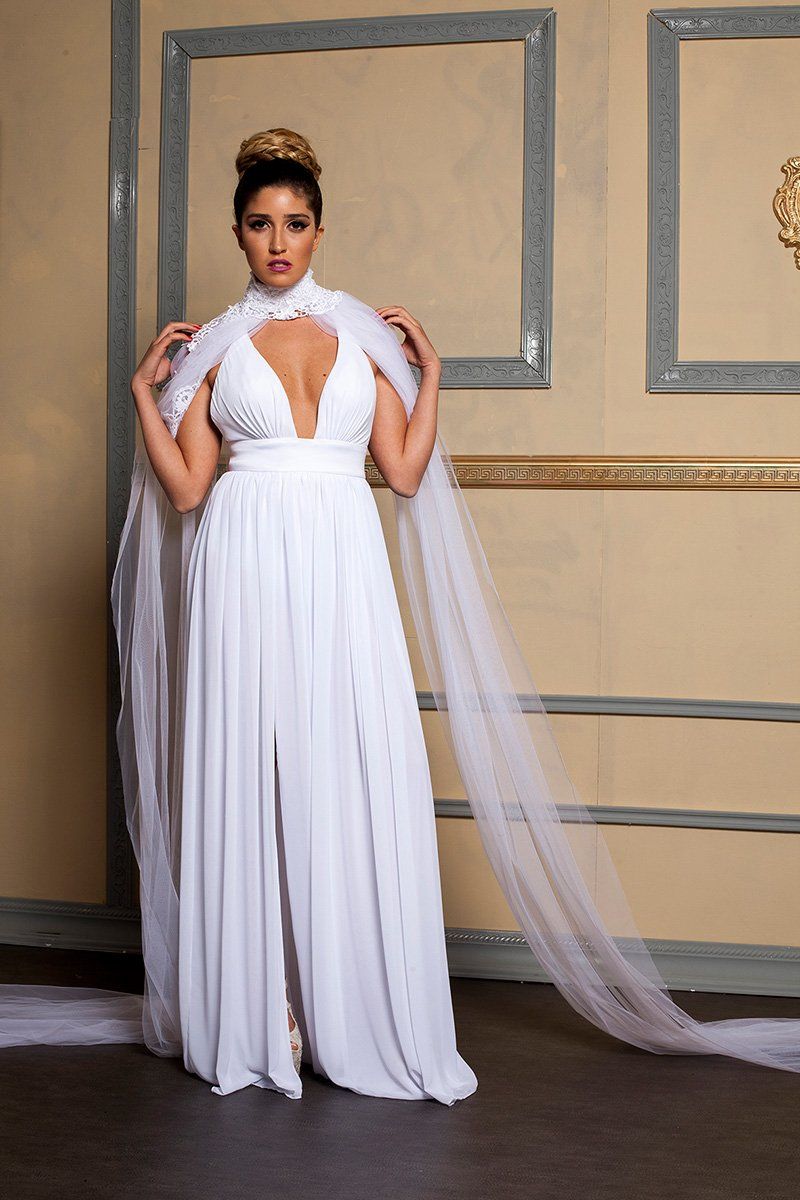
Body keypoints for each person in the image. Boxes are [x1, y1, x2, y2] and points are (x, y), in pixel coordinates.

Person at [1, 129, 798, 1092]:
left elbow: (407, 471)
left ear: (320, 229)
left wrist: (435, 376)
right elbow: (185, 491)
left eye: (296, 223)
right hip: (240, 562)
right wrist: (143, 394)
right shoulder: (214, 345)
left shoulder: (363, 337)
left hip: (342, 560)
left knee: (342, 755)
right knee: (247, 761)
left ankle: (341, 1001)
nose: (278, 242)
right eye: (259, 224)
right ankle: (259, 1010)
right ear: (237, 232)